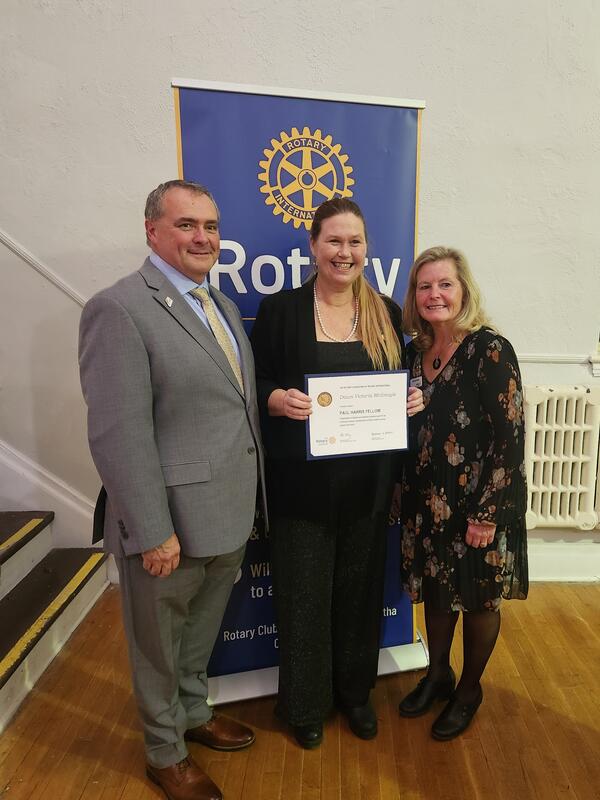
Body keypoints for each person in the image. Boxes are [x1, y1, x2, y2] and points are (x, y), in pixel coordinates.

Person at [79, 179, 265, 800]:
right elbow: (118, 434)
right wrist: (151, 528)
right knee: (157, 646)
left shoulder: (218, 303)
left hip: (225, 513)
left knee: (199, 633)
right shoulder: (120, 308)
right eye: (187, 225)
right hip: (170, 523)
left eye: (210, 226)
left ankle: (193, 714)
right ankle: (164, 752)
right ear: (153, 230)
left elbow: (228, 404)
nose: (203, 238)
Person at [250, 197, 424, 749]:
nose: (344, 253)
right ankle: (304, 705)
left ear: (366, 249)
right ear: (314, 247)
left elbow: (398, 386)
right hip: (300, 487)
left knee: (358, 595)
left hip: (368, 487)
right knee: (302, 598)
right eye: (334, 241)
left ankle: (355, 696)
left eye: (354, 242)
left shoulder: (386, 314)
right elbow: (252, 385)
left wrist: (407, 403)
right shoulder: (281, 311)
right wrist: (276, 400)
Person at [398, 245, 528, 740]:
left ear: (464, 290)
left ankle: (469, 688)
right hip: (426, 501)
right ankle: (437, 672)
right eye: (424, 286)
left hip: (476, 505)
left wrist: (488, 514)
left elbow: (510, 437)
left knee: (477, 600)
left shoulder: (490, 348)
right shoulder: (415, 350)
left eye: (444, 284)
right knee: (436, 591)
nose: (434, 294)